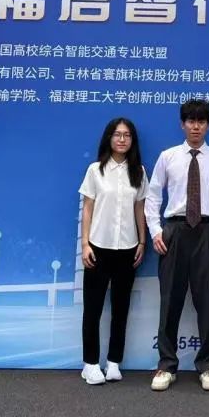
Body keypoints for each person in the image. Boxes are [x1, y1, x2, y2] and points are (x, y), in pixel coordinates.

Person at [145, 99, 209, 391]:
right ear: (182, 124)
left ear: (208, 125)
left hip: (208, 231)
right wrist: (156, 231)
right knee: (170, 299)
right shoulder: (168, 157)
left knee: (206, 300)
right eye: (191, 121)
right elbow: (153, 196)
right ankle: (166, 365)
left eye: (201, 121)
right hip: (175, 231)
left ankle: (207, 364)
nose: (196, 126)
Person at [79, 117, 149, 385]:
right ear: (109, 138)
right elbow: (88, 208)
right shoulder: (95, 170)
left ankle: (114, 362)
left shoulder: (138, 171)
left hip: (128, 249)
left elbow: (140, 208)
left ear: (132, 140)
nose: (122, 139)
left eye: (127, 135)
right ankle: (90, 364)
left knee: (121, 309)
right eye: (117, 134)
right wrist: (85, 244)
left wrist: (142, 242)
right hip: (98, 247)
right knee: (93, 309)